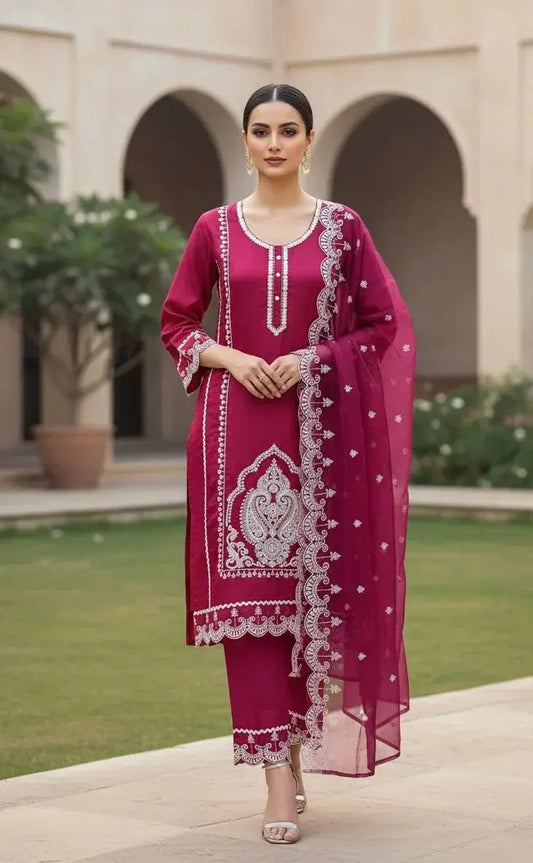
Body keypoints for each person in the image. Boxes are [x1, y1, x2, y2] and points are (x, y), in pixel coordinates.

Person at [160, 83, 416, 846]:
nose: (273, 142)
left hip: (320, 438)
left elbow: (380, 324)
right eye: (260, 130)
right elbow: (177, 323)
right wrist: (235, 359)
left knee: (309, 607)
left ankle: (292, 750)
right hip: (233, 431)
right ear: (244, 142)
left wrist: (309, 359)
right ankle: (275, 774)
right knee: (250, 611)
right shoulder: (214, 228)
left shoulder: (342, 228)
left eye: (288, 130)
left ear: (307, 141)